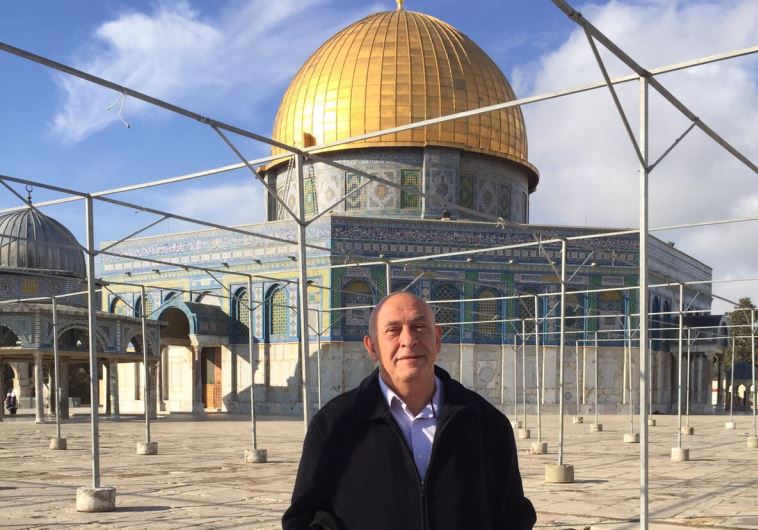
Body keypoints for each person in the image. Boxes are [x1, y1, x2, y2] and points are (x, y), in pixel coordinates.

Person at [283, 291, 536, 529]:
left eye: (419, 327)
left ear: (437, 339)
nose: (408, 340)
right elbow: (304, 518)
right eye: (393, 330)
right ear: (372, 347)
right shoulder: (335, 425)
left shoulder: (486, 423)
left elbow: (512, 515)